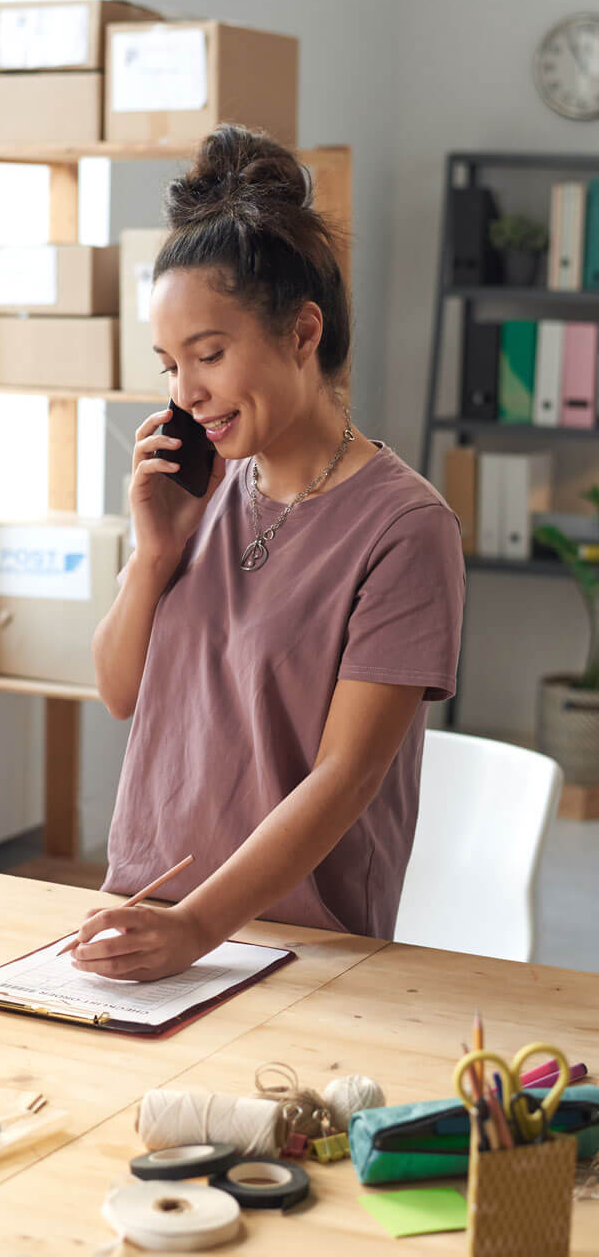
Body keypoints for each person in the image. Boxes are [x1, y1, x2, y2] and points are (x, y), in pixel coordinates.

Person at [70, 124, 465, 983]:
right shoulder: (198, 492)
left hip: (305, 949)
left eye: (208, 355)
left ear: (302, 332)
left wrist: (198, 931)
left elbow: (348, 778)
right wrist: (152, 554)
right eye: (170, 365)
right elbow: (116, 691)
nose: (186, 393)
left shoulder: (406, 529)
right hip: (150, 925)